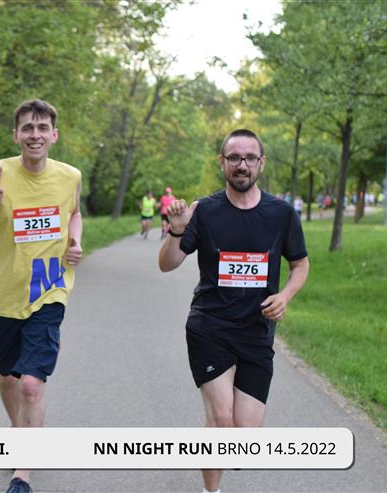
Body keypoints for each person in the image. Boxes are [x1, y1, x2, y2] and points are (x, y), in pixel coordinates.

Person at [158, 129, 309, 493]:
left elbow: (300, 265)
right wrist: (176, 232)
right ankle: (211, 491)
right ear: (222, 162)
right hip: (209, 327)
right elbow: (167, 264)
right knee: (221, 420)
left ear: (261, 163)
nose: (242, 165)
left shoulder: (282, 214)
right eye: (234, 158)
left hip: (257, 331)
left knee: (244, 435)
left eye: (249, 158)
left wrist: (285, 296)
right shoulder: (204, 211)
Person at [0, 99, 82, 493]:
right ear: (16, 135)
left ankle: (23, 471)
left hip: (48, 289)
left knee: (31, 383)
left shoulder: (70, 176)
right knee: (9, 376)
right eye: (27, 128)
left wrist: (75, 241)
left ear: (54, 135)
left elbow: (74, 212)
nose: (35, 135)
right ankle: (20, 433)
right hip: (2, 294)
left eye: (42, 128)